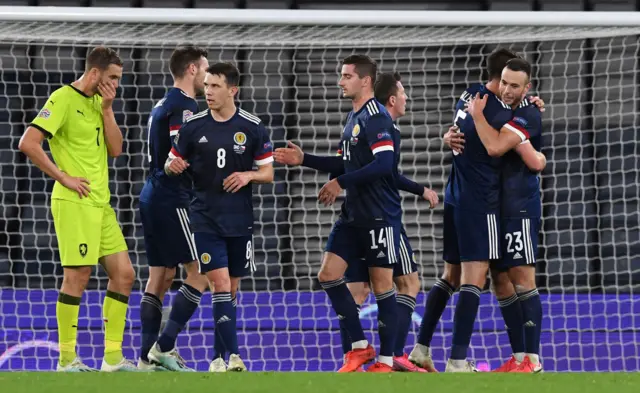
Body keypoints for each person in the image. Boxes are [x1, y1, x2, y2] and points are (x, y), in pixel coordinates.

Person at [274, 55, 401, 372]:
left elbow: (384, 165)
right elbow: (345, 164)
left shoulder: (377, 118)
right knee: (328, 275)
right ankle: (359, 346)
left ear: (365, 81)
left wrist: (340, 182)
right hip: (353, 214)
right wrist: (304, 159)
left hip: (378, 214)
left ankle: (385, 361)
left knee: (383, 285)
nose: (340, 81)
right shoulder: (353, 117)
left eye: (346, 76)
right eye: (341, 76)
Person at [19, 46, 136, 372]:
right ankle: (66, 359)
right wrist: (64, 177)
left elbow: (116, 150)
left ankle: (112, 359)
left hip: (101, 203)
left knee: (124, 275)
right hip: (74, 201)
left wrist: (109, 109)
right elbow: (28, 142)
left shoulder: (101, 103)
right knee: (77, 276)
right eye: (112, 77)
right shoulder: (62, 98)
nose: (115, 83)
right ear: (95, 73)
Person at [158, 62, 274, 373]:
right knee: (219, 284)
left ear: (232, 90)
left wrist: (249, 176)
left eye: (215, 86)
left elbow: (268, 172)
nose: (207, 91)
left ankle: (212, 358)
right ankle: (233, 356)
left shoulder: (252, 126)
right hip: (204, 217)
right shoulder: (193, 126)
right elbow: (170, 163)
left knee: (231, 289)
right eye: (206, 85)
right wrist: (174, 167)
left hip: (239, 220)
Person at [339, 72, 438, 372]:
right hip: (382, 217)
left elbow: (383, 171)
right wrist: (422, 190)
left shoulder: (367, 122)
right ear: (392, 99)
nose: (407, 98)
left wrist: (420, 190)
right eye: (404, 93)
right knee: (407, 283)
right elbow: (386, 173)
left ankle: (355, 357)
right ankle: (391, 354)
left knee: (357, 290)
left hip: (358, 216)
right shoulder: (383, 126)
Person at [465, 57, 545, 373]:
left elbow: (495, 147)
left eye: (515, 85)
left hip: (519, 207)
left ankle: (533, 361)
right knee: (501, 281)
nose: (508, 89)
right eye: (504, 82)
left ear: (527, 88)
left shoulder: (528, 114)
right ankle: (518, 356)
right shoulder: (502, 109)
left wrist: (477, 116)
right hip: (495, 208)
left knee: (523, 280)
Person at [138, 46, 211, 371]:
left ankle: (144, 359)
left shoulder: (161, 103)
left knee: (161, 276)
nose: (208, 77)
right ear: (193, 69)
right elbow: (178, 157)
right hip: (172, 199)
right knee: (201, 272)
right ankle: (163, 347)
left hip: (151, 195)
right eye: (205, 70)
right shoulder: (185, 107)